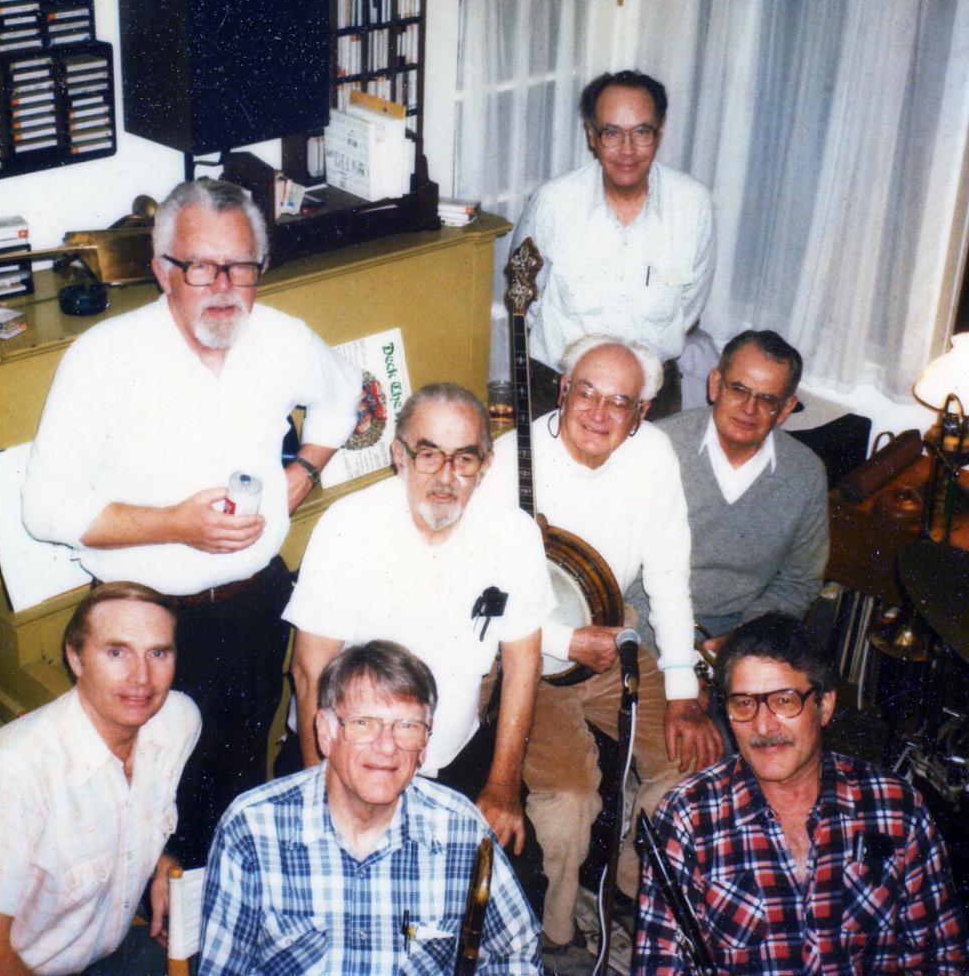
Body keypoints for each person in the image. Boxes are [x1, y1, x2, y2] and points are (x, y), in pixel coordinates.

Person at [22, 178, 362, 867]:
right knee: (141, 804)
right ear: (161, 271)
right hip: (142, 623)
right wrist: (175, 524)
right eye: (199, 266)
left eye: (241, 266)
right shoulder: (104, 358)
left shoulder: (280, 338)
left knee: (236, 781)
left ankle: (217, 926)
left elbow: (346, 389)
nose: (223, 286)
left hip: (254, 606)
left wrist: (303, 474)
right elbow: (45, 510)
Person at [477, 335, 721, 969]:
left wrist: (685, 694)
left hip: (615, 636)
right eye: (586, 391)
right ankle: (557, 932)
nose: (599, 412)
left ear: (641, 414)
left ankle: (639, 893)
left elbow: (669, 576)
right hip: (527, 652)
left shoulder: (654, 456)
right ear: (562, 388)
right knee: (569, 803)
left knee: (688, 762)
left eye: (621, 401)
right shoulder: (511, 458)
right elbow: (474, 589)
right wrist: (561, 640)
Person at [286, 382, 553, 910]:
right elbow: (308, 670)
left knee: (514, 890)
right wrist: (323, 786)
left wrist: (503, 786)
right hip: (349, 751)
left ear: (486, 464)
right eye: (428, 454)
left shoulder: (515, 534)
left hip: (453, 755)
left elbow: (524, 663)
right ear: (398, 455)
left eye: (464, 458)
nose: (445, 476)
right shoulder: (347, 526)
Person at [633, 613, 969, 973]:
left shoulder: (897, 807)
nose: (763, 726)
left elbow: (941, 958)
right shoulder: (688, 815)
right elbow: (661, 966)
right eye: (743, 703)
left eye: (784, 700)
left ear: (824, 706)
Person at [200, 641, 542, 975]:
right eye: (364, 723)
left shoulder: (461, 829)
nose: (387, 746)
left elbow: (515, 953)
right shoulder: (253, 828)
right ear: (325, 733)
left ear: (424, 745)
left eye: (408, 727)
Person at [0, 582, 201, 976]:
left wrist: (158, 861)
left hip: (92, 947)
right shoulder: (13, 775)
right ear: (76, 658)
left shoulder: (177, 722)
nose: (141, 677)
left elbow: (121, 810)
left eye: (158, 653)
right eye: (117, 652)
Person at [512, 69, 715, 419]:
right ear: (592, 135)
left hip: (651, 396)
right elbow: (526, 298)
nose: (627, 150)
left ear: (660, 132)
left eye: (641, 132)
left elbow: (691, 304)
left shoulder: (693, 204)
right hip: (561, 392)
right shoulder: (552, 203)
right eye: (612, 133)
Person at [629, 329, 828, 658]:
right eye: (738, 389)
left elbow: (799, 580)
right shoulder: (657, 447)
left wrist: (742, 642)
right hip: (649, 624)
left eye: (767, 399)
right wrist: (676, 654)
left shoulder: (805, 475)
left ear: (786, 408)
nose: (749, 409)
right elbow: (627, 567)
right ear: (714, 384)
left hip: (746, 633)